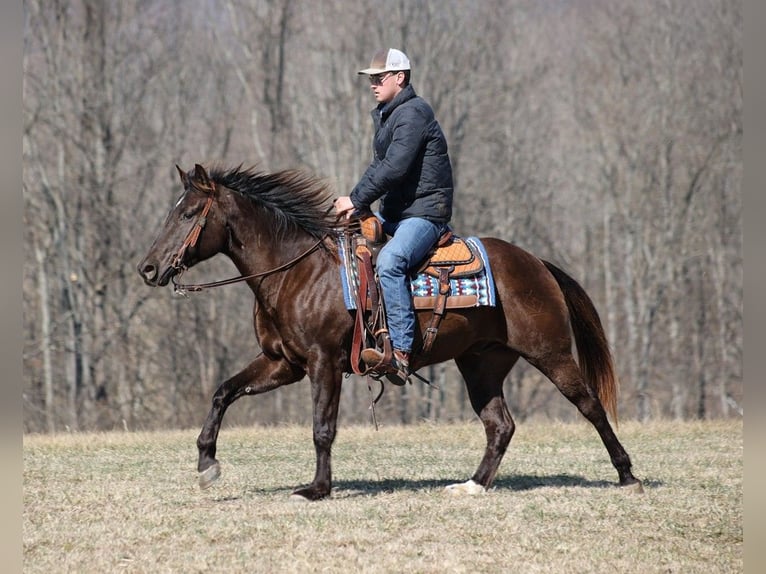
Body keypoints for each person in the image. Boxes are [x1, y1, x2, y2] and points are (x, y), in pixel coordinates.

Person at [334, 48, 454, 385]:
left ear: (399, 78)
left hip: (425, 214)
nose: (372, 84)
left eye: (379, 78)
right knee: (342, 243)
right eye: (370, 79)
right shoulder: (390, 115)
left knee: (390, 261)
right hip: (399, 215)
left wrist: (356, 198)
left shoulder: (414, 113)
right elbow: (380, 167)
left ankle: (401, 352)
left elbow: (394, 167)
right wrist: (358, 207)